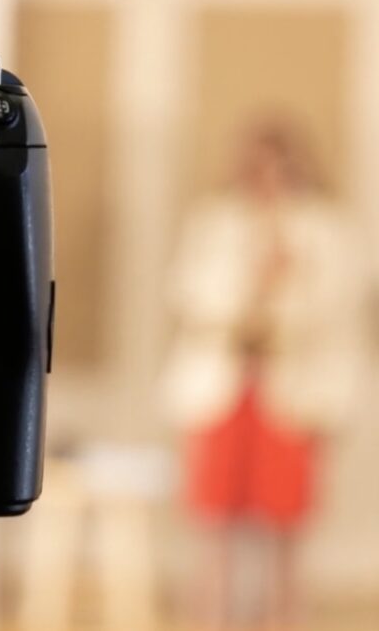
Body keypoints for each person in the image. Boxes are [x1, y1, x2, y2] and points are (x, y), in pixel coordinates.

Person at [160, 118, 368, 629]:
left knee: (285, 531)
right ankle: (211, 619)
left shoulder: (326, 228)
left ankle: (282, 620)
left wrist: (289, 275)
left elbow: (339, 308)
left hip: (292, 391)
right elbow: (188, 294)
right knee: (215, 530)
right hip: (223, 387)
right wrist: (251, 282)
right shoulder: (215, 222)